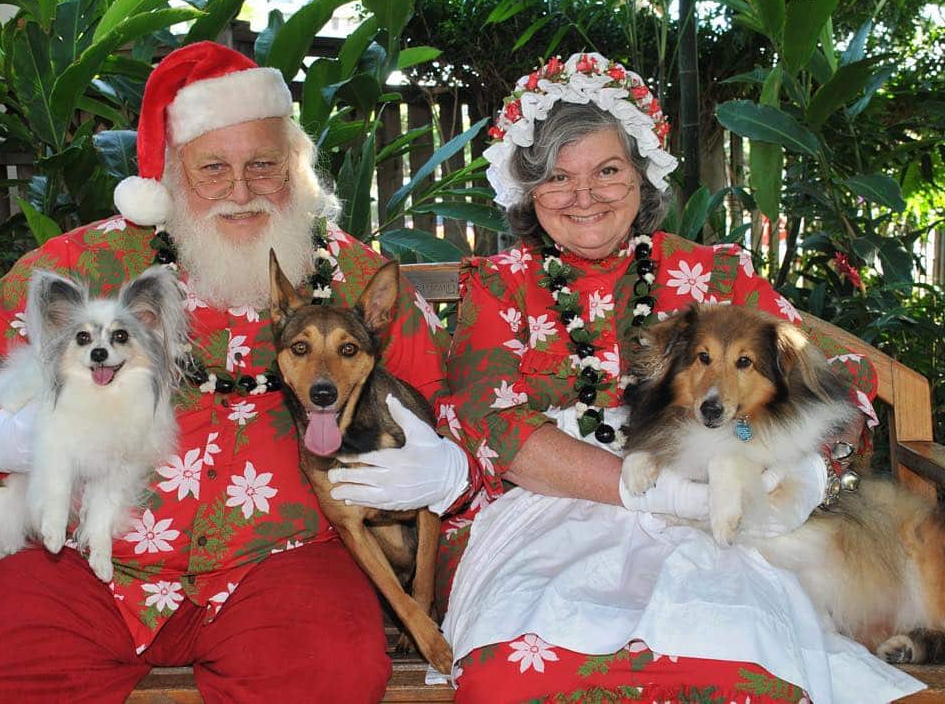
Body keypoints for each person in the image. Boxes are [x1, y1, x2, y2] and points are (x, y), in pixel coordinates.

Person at [328, 52, 925, 703]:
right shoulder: (500, 287)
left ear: (643, 176)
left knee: (736, 666)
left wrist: (758, 465)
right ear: (529, 190)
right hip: (546, 514)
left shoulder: (716, 276)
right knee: (522, 673)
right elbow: (498, 428)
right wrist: (654, 494)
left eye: (608, 170)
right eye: (558, 176)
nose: (584, 196)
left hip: (719, 514)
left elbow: (820, 384)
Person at [0, 41, 470, 703]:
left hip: (286, 563)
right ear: (170, 175)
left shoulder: (360, 280)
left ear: (297, 167)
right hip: (86, 558)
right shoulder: (92, 260)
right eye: (212, 169)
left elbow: (457, 406)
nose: (242, 191)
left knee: (329, 670)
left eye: (264, 165)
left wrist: (448, 468)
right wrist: (15, 437)